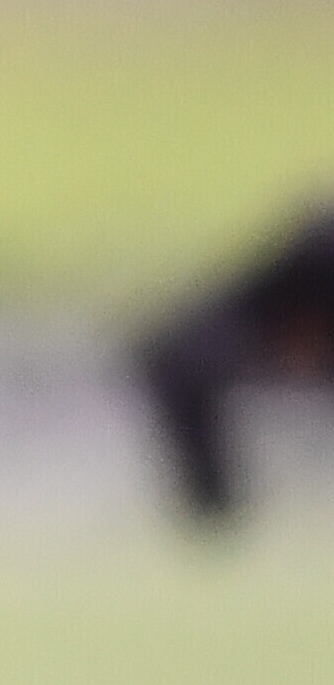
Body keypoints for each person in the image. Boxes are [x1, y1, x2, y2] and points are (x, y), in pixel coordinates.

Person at [136, 205, 334, 523]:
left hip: (292, 315)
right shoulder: (316, 252)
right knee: (175, 360)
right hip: (280, 312)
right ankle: (214, 507)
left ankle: (215, 507)